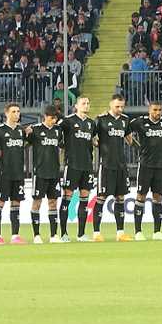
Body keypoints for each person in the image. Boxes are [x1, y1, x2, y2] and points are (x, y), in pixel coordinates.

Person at [91, 96, 134, 241]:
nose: (120, 109)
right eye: (117, 107)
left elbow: (129, 140)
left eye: (122, 107)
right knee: (101, 197)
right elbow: (92, 137)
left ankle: (120, 233)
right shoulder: (101, 119)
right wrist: (96, 143)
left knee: (120, 197)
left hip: (121, 164)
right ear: (111, 105)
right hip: (106, 164)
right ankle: (96, 233)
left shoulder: (125, 120)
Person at [131, 101, 162, 241]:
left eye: (160, 110)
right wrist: (134, 144)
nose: (158, 112)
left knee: (157, 198)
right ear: (149, 110)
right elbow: (125, 129)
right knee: (141, 196)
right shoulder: (140, 122)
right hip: (145, 165)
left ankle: (157, 232)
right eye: (155, 109)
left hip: (160, 166)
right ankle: (138, 231)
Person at [0, 103, 29, 244]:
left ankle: (15, 235)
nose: (17, 114)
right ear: (6, 113)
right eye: (13, 111)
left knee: (16, 204)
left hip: (18, 174)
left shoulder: (22, 131)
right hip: (3, 173)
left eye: (18, 111)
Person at [27, 107, 66, 242]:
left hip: (54, 172)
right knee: (37, 202)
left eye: (55, 118)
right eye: (51, 118)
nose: (53, 121)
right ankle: (36, 235)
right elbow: (25, 143)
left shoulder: (58, 130)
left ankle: (53, 235)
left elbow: (62, 146)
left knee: (53, 202)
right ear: (45, 116)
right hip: (40, 172)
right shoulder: (36, 129)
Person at [63, 97, 99, 241]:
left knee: (84, 199)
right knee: (67, 198)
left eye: (88, 103)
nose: (86, 105)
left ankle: (81, 234)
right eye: (83, 103)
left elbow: (94, 140)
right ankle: (64, 234)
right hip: (72, 165)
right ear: (76, 105)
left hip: (87, 166)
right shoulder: (68, 121)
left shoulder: (91, 123)